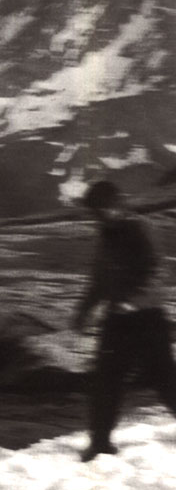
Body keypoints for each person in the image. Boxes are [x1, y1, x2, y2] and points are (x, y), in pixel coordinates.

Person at [72, 179, 176, 460]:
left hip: (148, 318)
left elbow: (156, 271)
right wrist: (83, 311)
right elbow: (98, 281)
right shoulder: (105, 236)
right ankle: (100, 444)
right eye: (96, 212)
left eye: (103, 209)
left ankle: (100, 442)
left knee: (164, 380)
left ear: (118, 203)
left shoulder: (141, 228)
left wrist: (134, 301)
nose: (101, 216)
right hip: (117, 319)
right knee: (105, 381)